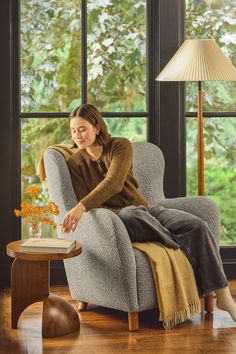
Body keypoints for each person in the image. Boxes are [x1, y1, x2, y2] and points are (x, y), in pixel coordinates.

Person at [62, 103, 236, 322]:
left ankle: (222, 295)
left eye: (82, 129)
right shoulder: (75, 162)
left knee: (197, 225)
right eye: (73, 130)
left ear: (97, 127)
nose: (77, 135)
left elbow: (114, 183)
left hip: (147, 210)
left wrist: (80, 208)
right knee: (129, 215)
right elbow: (88, 200)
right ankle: (177, 244)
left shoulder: (120, 146)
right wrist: (84, 208)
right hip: (118, 221)